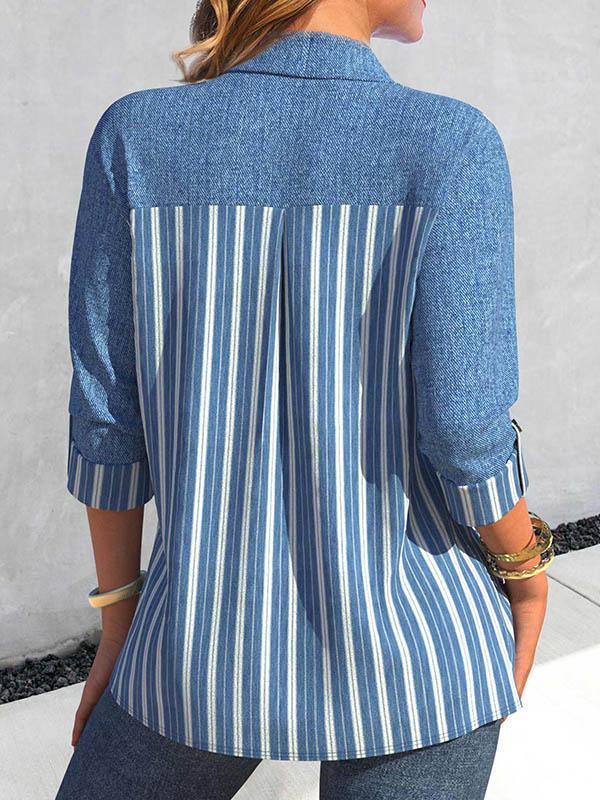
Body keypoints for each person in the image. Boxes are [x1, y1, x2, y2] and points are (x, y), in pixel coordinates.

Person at [56, 0, 551, 798]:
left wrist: (121, 621)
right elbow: (464, 429)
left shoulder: (135, 137)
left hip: (193, 653)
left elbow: (109, 425)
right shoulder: (451, 143)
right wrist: (526, 570)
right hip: (417, 654)